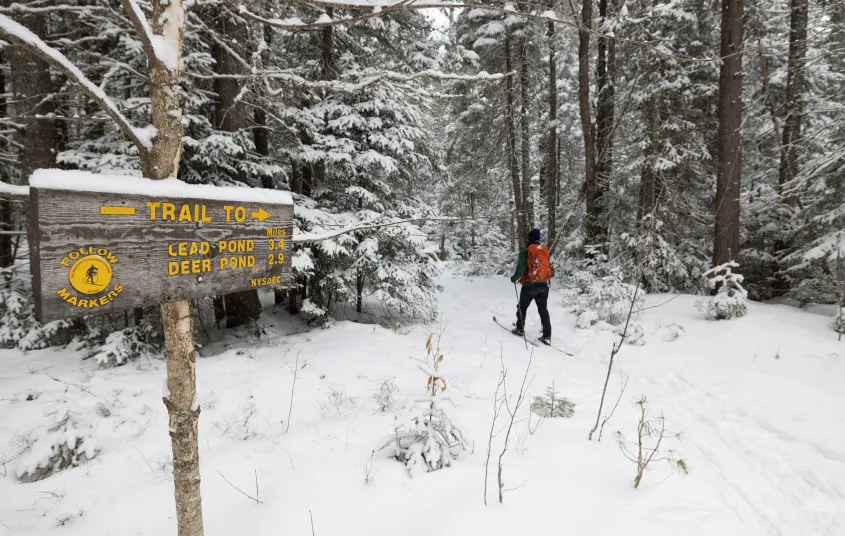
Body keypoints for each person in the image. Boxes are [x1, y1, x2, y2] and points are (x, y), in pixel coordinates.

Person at [509, 228, 553, 344]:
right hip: (543, 285)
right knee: (543, 310)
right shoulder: (544, 251)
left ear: (529, 238)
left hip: (529, 286)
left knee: (522, 307)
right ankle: (547, 336)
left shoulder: (525, 252)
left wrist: (514, 278)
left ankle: (520, 329)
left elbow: (520, 270)